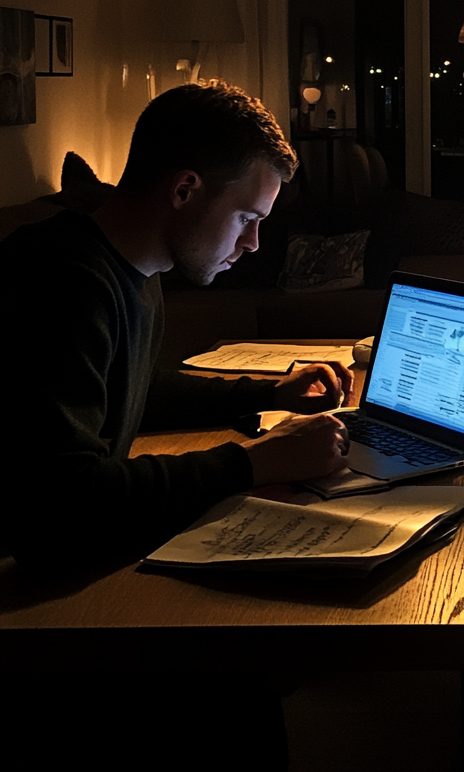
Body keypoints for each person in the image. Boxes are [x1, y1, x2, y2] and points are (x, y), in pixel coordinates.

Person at [0, 82, 355, 570]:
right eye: (247, 217)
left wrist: (269, 396)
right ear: (184, 189)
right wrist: (256, 462)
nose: (253, 242)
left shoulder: (136, 269)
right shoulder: (58, 281)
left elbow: (135, 390)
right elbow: (62, 505)